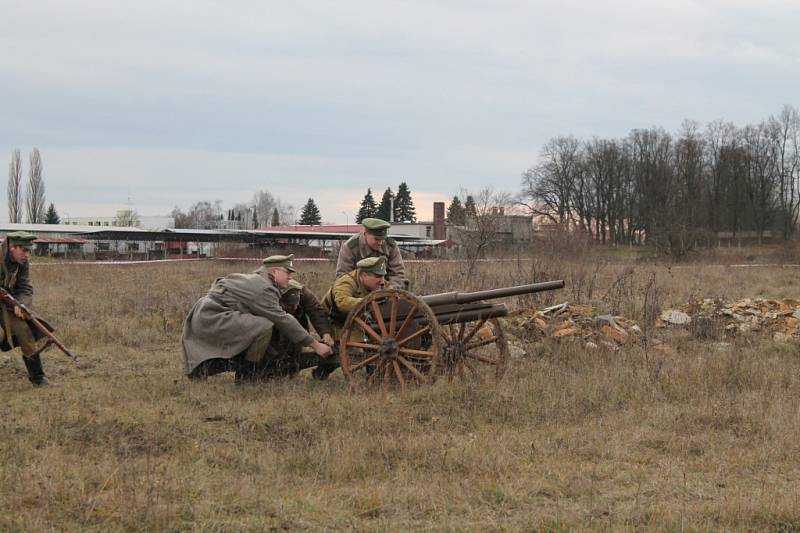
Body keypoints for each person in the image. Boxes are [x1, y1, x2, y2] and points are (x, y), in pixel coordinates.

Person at [182, 254, 333, 383]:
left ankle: (204, 369)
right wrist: (316, 345)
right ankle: (247, 376)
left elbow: (314, 308)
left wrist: (325, 333)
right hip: (212, 315)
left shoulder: (261, 280)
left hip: (211, 312)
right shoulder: (264, 288)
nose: (290, 277)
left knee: (256, 326)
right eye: (288, 272)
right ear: (275, 271)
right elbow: (283, 319)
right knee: (263, 327)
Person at [316, 256, 387, 380]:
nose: (382, 281)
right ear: (364, 275)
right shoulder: (346, 282)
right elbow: (343, 302)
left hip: (357, 320)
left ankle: (374, 377)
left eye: (383, 276)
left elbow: (390, 293)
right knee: (343, 354)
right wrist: (369, 301)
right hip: (333, 321)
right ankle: (320, 374)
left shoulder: (379, 283)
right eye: (378, 277)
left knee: (373, 344)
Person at [0, 231, 49, 386]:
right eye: (24, 250)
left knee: (24, 330)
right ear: (12, 247)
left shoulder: (22, 263)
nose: (27, 255)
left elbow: (25, 289)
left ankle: (38, 377)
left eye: (29, 250)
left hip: (6, 306)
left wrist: (21, 305)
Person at [269, 279, 335, 376]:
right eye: (290, 306)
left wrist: (326, 334)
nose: (295, 308)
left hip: (297, 324)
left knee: (295, 344)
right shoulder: (269, 295)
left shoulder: (304, 293)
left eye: (296, 304)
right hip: (273, 323)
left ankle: (291, 368)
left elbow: (316, 312)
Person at [335, 217, 407, 289]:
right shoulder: (350, 248)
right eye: (377, 239)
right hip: (357, 291)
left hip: (385, 290)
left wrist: (390, 290)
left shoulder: (391, 246)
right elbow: (343, 277)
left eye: (383, 239)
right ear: (365, 234)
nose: (380, 243)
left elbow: (397, 274)